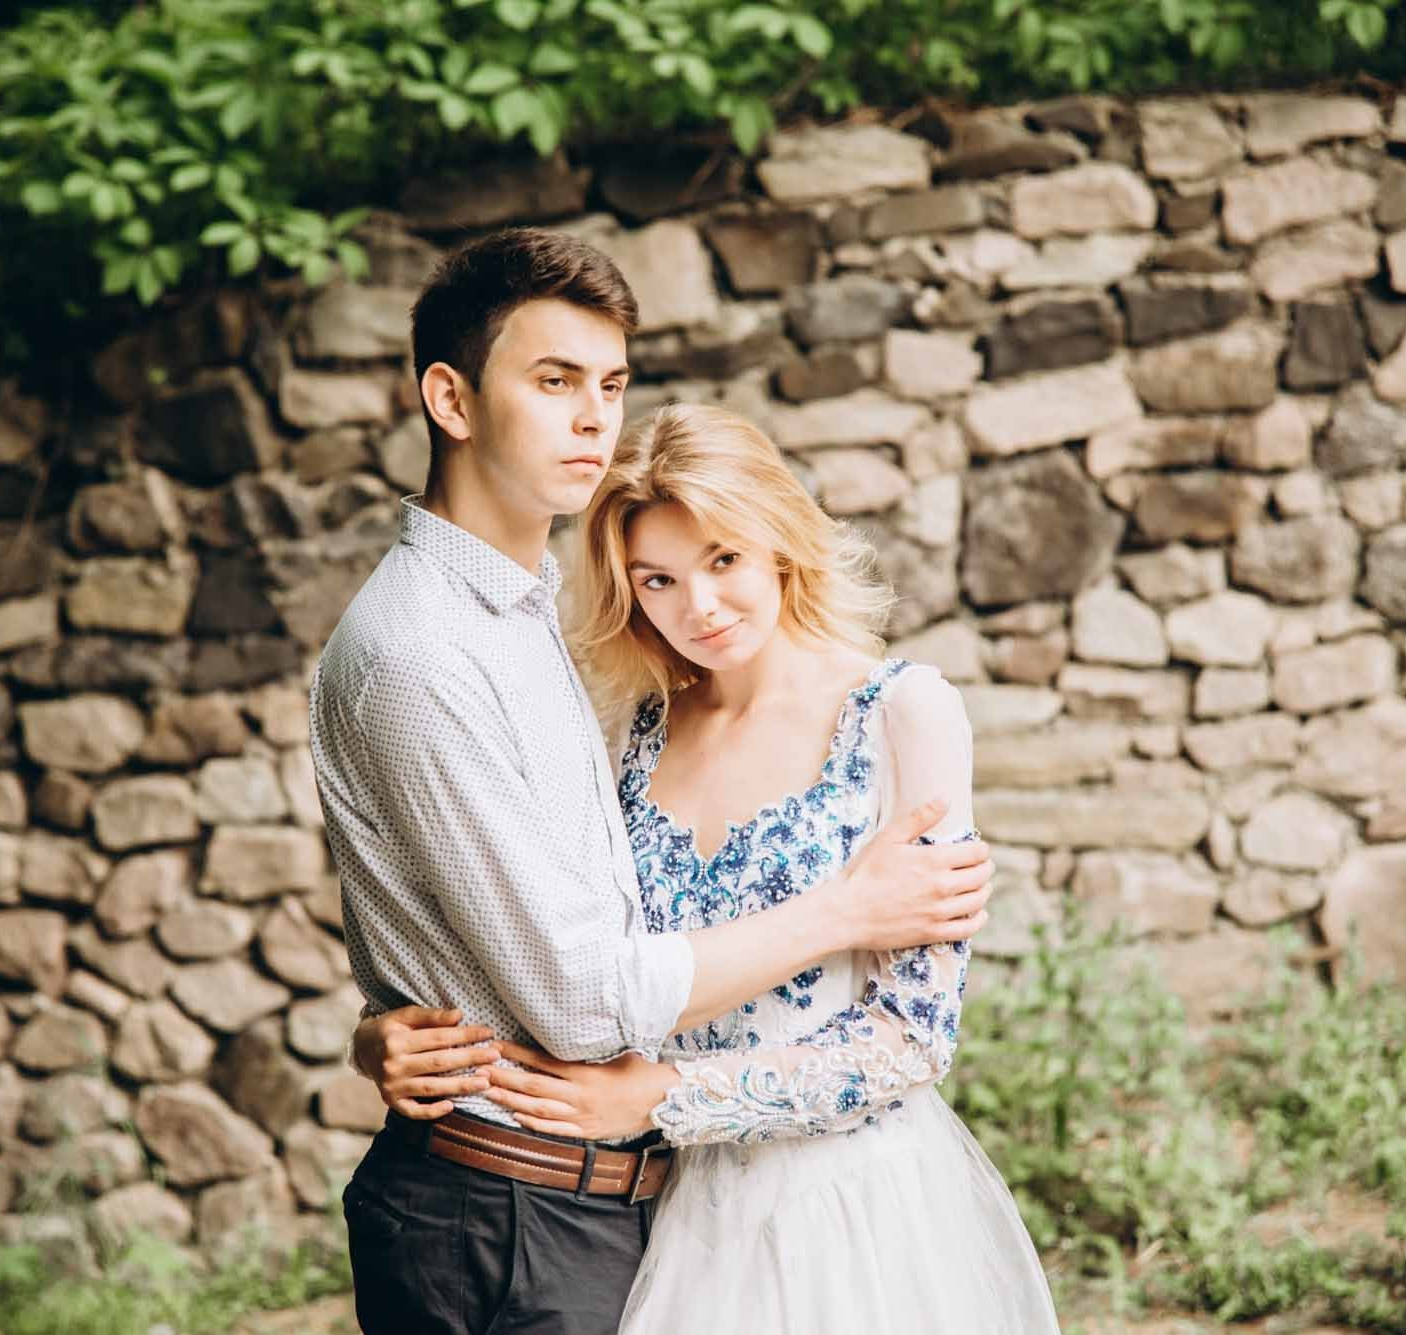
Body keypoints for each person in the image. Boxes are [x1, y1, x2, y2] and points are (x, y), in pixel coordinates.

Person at [308, 227, 999, 1335]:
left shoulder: (896, 713)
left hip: (824, 1213)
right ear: (451, 400)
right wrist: (391, 1017)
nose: (699, 605)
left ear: (778, 542)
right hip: (623, 1207)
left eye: (610, 385)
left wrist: (665, 1099)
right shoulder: (577, 697)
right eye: (659, 580)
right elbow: (566, 974)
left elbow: (911, 1037)